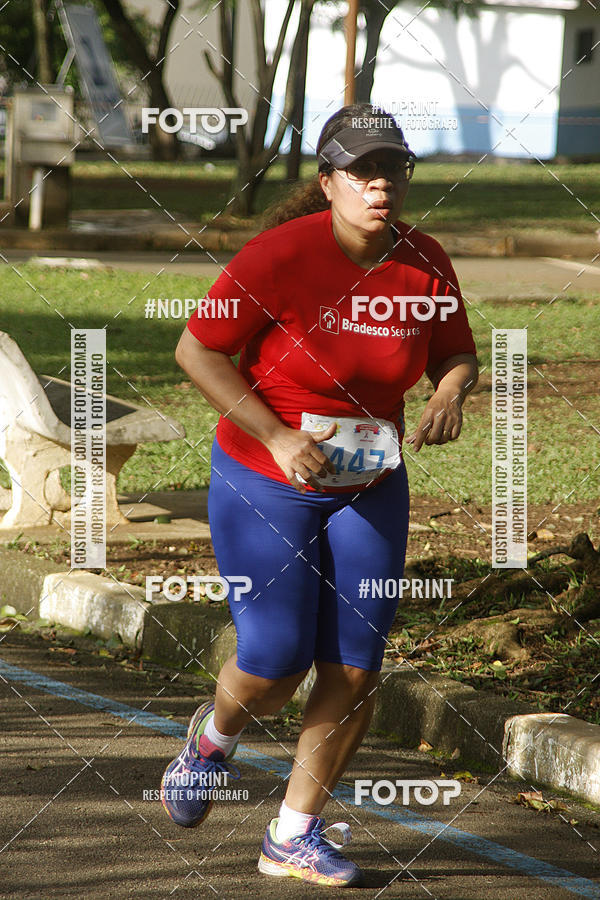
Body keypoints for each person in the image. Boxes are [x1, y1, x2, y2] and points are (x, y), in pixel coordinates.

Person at [161, 102, 478, 887]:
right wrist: (274, 435)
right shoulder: (278, 257)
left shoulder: (425, 261)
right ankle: (213, 737)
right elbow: (196, 350)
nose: (382, 186)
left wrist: (450, 393)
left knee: (356, 667)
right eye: (364, 172)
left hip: (369, 481)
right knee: (272, 662)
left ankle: (292, 834)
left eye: (395, 170)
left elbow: (458, 351)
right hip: (266, 475)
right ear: (329, 181)